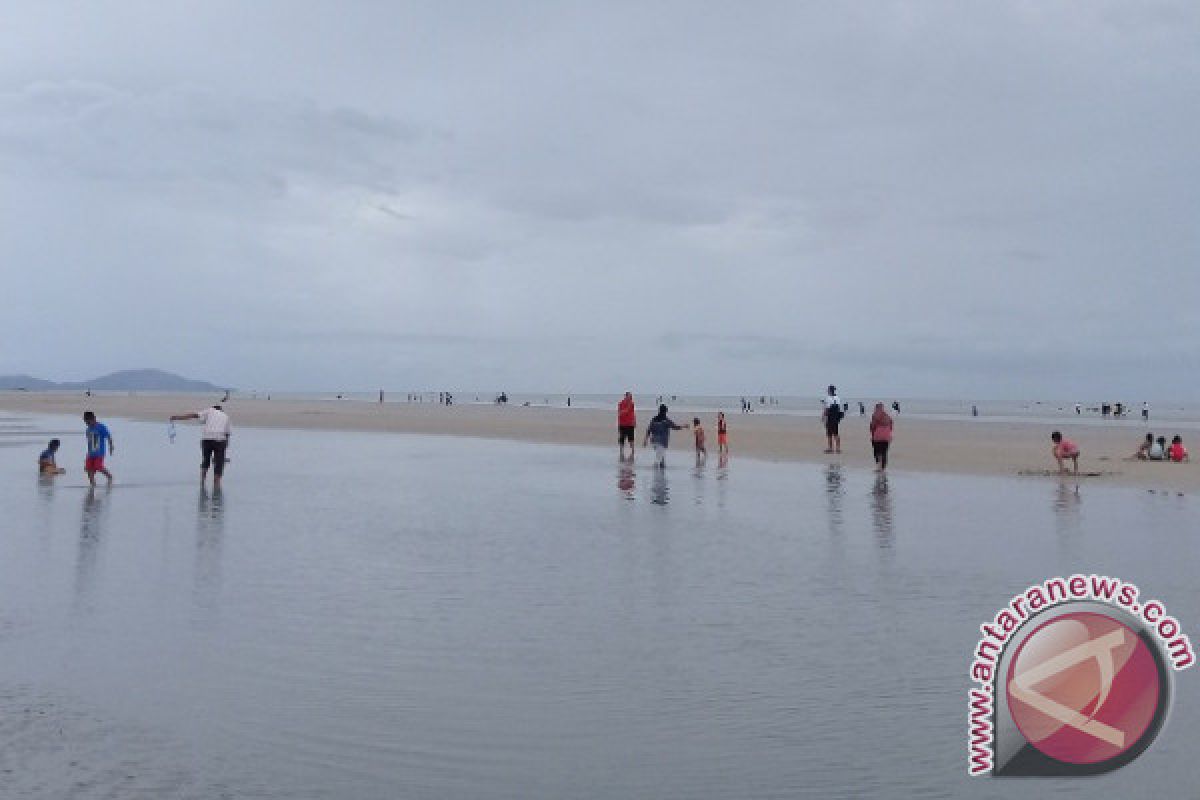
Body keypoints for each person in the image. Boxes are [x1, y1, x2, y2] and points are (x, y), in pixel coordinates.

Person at [171, 405, 232, 489]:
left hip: (206, 439)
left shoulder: (210, 410)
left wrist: (177, 417)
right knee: (219, 463)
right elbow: (227, 434)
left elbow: (194, 415)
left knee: (206, 460)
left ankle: (202, 482)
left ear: (214, 408)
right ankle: (216, 483)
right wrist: (225, 448)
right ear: (221, 410)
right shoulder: (226, 416)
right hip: (220, 440)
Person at [82, 411, 114, 487]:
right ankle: (93, 485)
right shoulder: (88, 429)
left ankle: (109, 476)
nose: (87, 424)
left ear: (94, 419)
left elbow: (108, 436)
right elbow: (89, 442)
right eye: (86, 422)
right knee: (88, 468)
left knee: (98, 466)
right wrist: (88, 453)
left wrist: (111, 446)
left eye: (88, 422)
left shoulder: (101, 427)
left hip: (99, 453)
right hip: (90, 453)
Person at [869, 403, 893, 471]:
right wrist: (889, 435)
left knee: (876, 451)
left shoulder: (875, 415)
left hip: (877, 436)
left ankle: (878, 466)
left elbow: (872, 426)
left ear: (876, 408)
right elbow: (891, 427)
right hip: (886, 437)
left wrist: (872, 435)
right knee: (884, 452)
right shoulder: (888, 416)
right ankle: (883, 468)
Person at [822, 385, 843, 454]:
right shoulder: (838, 398)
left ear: (830, 390)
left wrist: (823, 416)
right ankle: (838, 448)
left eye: (828, 390)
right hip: (836, 417)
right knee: (836, 433)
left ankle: (830, 448)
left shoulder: (828, 398)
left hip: (830, 417)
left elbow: (827, 409)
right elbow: (839, 408)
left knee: (829, 433)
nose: (827, 391)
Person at [617, 392, 637, 458]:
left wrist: (634, 421)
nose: (630, 397)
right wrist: (626, 410)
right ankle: (621, 451)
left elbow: (633, 412)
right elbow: (620, 412)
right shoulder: (621, 403)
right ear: (625, 396)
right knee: (622, 438)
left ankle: (633, 451)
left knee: (631, 438)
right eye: (629, 396)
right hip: (622, 423)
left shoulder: (632, 403)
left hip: (630, 424)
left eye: (631, 396)